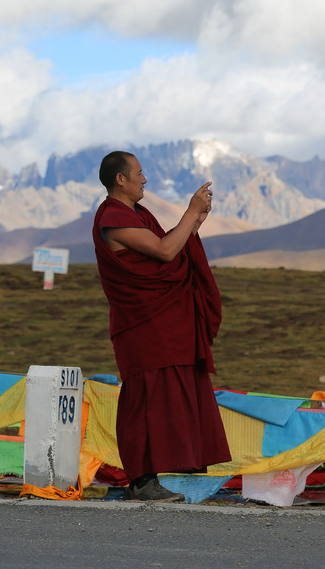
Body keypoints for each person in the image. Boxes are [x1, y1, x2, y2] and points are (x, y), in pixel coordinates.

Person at [92, 151, 231, 502]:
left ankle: (154, 476)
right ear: (120, 179)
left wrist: (195, 220)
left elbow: (167, 247)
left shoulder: (136, 214)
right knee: (143, 397)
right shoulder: (113, 216)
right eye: (139, 173)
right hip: (140, 323)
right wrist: (188, 211)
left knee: (162, 394)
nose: (145, 179)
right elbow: (166, 252)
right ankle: (140, 481)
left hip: (157, 323)